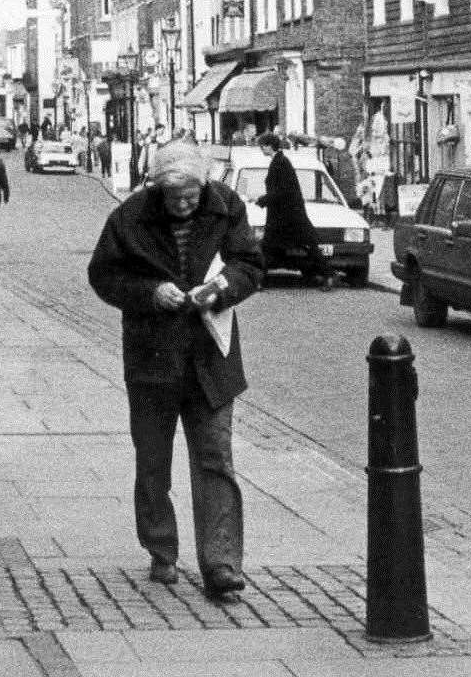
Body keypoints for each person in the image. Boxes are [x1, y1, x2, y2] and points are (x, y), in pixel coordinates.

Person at [87, 141, 263, 600]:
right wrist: (149, 293)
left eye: (190, 196)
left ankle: (221, 565)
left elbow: (250, 264)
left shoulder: (227, 207)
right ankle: (161, 549)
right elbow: (103, 276)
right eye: (174, 198)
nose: (183, 205)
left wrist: (221, 289)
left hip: (211, 358)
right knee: (153, 462)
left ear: (203, 186)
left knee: (215, 461)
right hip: (152, 361)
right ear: (158, 190)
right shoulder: (129, 218)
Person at [258, 131, 335, 289]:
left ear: (269, 146)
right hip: (286, 215)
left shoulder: (281, 162)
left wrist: (264, 199)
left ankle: (328, 275)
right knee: (270, 247)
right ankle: (259, 279)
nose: (261, 149)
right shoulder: (279, 161)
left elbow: (283, 190)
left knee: (306, 246)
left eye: (262, 145)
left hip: (289, 216)